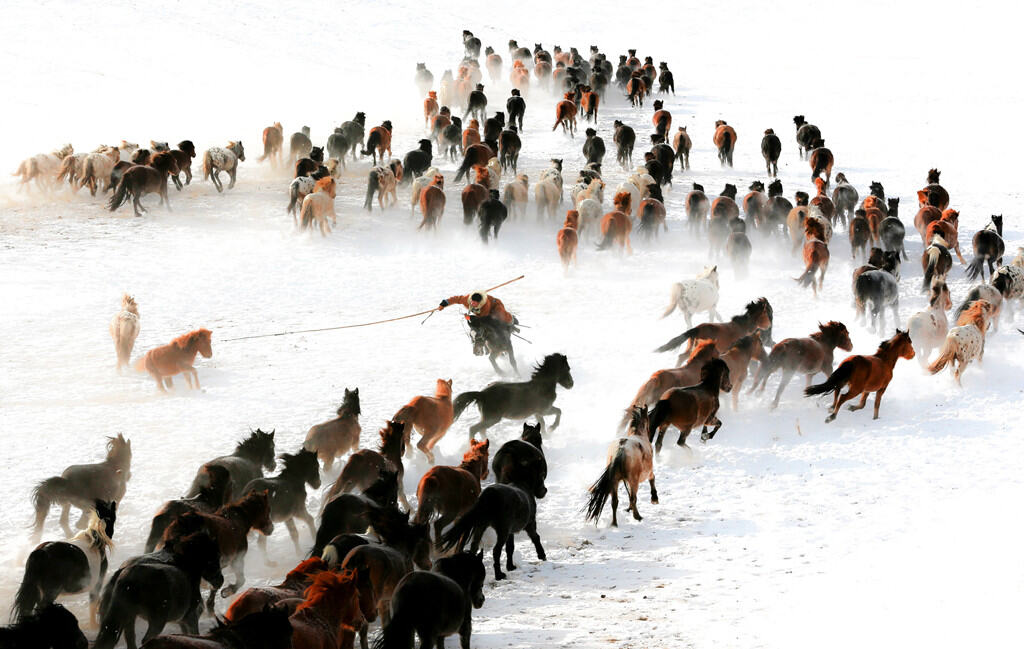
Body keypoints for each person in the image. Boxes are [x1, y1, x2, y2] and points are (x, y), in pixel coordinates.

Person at [439, 290, 519, 331]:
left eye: (475, 303)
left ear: (479, 303)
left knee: (500, 315)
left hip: (494, 305)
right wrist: (445, 303)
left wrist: (470, 318)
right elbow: (456, 299)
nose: (472, 304)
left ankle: (512, 319)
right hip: (481, 313)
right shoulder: (466, 299)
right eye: (472, 302)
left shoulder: (485, 305)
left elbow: (484, 319)